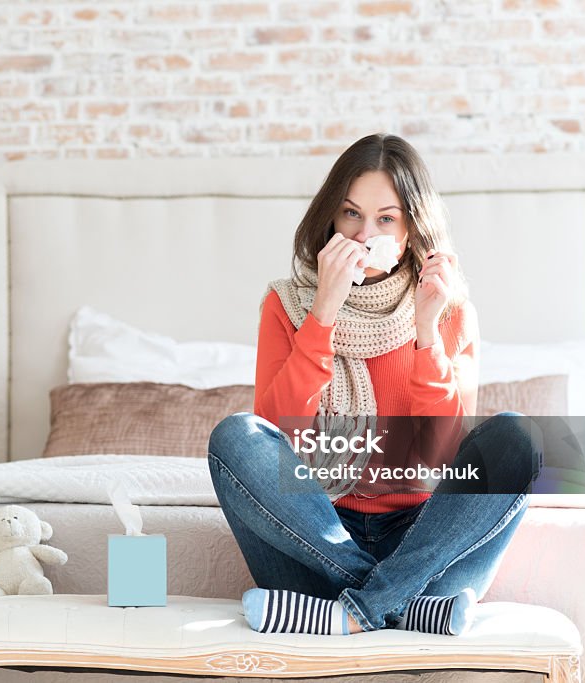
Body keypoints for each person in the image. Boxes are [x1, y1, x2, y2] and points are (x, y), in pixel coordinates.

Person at [207, 134, 541, 637]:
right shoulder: (288, 305)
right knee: (236, 437)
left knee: (517, 437)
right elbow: (278, 439)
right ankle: (404, 607)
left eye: (386, 218)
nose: (365, 234)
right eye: (350, 214)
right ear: (330, 220)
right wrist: (322, 314)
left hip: (424, 539)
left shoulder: (448, 310)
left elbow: (440, 457)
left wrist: (426, 334)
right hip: (314, 538)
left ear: (411, 230)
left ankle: (349, 613)